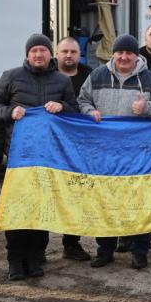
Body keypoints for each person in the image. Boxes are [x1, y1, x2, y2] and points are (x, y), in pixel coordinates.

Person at [0, 34, 78, 281]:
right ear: (27, 54)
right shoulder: (11, 76)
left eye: (43, 50)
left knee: (42, 209)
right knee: (17, 210)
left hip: (49, 158)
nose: (39, 55)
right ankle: (15, 261)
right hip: (19, 157)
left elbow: (75, 110)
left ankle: (36, 258)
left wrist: (62, 108)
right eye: (34, 51)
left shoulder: (62, 80)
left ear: (51, 54)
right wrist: (9, 112)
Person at [78, 34, 151, 270]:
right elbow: (81, 100)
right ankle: (105, 250)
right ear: (114, 54)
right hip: (104, 153)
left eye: (128, 53)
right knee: (105, 201)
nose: (123, 57)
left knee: (137, 201)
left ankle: (140, 251)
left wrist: (147, 107)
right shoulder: (97, 75)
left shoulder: (149, 78)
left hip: (137, 153)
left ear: (135, 55)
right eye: (119, 53)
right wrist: (89, 111)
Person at [54, 37, 94, 262]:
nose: (69, 55)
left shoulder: (89, 75)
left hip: (82, 146)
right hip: (54, 145)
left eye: (73, 52)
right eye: (64, 51)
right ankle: (37, 248)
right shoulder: (48, 75)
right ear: (56, 53)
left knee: (77, 194)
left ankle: (71, 243)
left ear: (79, 54)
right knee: (51, 193)